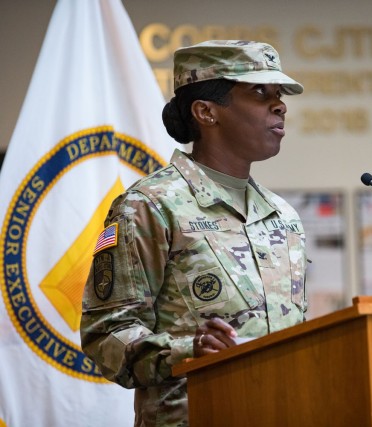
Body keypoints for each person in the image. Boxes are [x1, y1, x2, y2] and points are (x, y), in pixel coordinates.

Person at [80, 40, 308, 427]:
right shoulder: (149, 206)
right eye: (259, 92)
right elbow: (107, 336)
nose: (279, 105)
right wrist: (189, 351)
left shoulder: (283, 215)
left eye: (279, 94)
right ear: (206, 111)